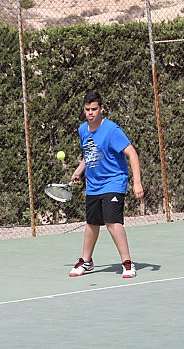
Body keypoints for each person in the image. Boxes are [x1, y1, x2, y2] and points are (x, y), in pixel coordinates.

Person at [69, 90, 144, 279]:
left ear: (101, 109)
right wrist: (79, 171)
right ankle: (86, 261)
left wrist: (137, 182)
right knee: (92, 223)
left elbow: (132, 153)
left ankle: (127, 263)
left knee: (112, 222)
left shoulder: (112, 130)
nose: (90, 113)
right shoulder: (82, 130)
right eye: (87, 109)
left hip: (114, 181)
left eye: (94, 109)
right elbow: (90, 155)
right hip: (94, 185)